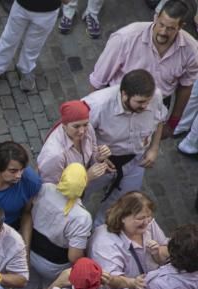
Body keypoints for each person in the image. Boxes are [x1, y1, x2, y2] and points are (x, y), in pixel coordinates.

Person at [89, 0, 198, 135]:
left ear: (181, 26)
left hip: (156, 109)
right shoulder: (125, 38)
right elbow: (98, 80)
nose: (163, 32)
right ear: (156, 17)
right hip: (119, 103)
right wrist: (91, 115)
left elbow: (186, 86)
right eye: (161, 24)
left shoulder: (191, 50)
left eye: (170, 28)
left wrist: (172, 123)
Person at [82, 70, 167, 223]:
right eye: (140, 102)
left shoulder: (155, 96)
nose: (146, 106)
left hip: (135, 161)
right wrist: (96, 155)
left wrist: (154, 148)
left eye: (148, 101)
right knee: (80, 195)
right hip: (101, 164)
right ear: (124, 94)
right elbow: (78, 136)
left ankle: (100, 231)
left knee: (121, 205)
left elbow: (159, 119)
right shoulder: (97, 106)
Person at [15, 163, 92, 289]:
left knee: (26, 287)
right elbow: (74, 256)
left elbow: (27, 211)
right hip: (53, 266)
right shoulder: (82, 217)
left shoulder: (45, 188)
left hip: (29, 251)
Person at [0, 0, 65, 94]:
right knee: (9, 39)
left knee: (34, 45)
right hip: (22, 6)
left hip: (48, 12)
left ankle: (26, 68)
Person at [36, 100, 111, 185]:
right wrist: (86, 178)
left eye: (85, 124)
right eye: (76, 126)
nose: (82, 131)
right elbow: (52, 188)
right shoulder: (55, 155)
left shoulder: (88, 128)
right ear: (64, 126)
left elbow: (93, 150)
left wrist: (98, 157)